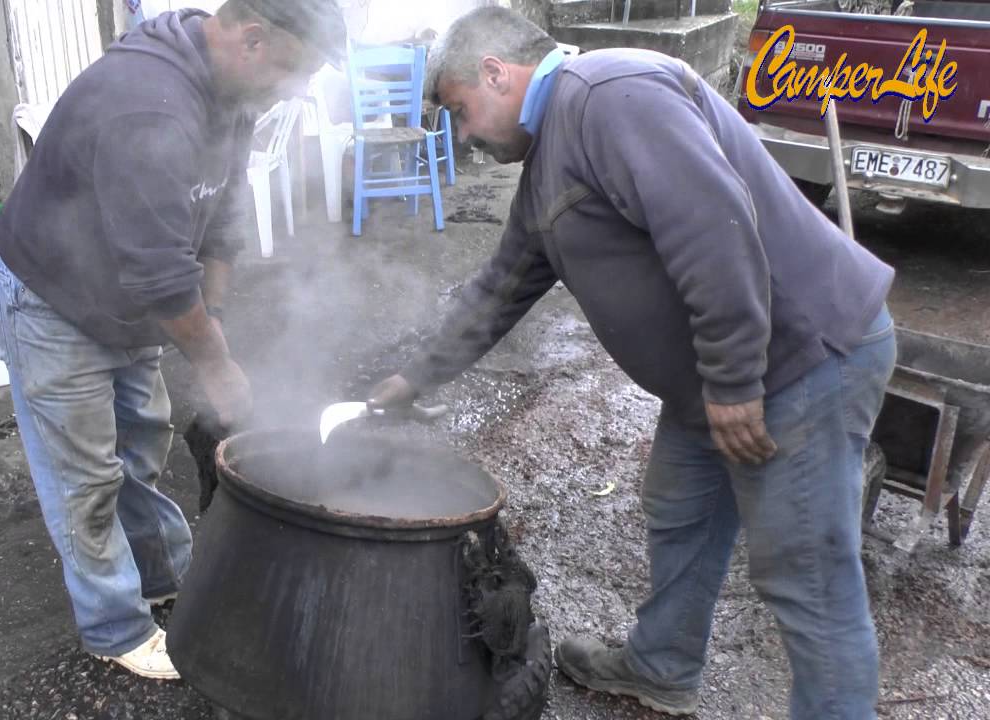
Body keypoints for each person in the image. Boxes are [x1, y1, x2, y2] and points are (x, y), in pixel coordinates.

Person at [368, 8, 896, 718]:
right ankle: (661, 666)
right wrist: (411, 380)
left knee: (808, 575)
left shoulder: (608, 96)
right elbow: (499, 291)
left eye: (461, 112)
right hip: (712, 385)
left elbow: (715, 225)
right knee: (680, 512)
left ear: (496, 71)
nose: (462, 134)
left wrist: (736, 378)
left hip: (799, 362)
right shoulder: (551, 158)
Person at [0, 0, 345, 680]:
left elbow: (223, 213)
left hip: (127, 297)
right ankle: (114, 627)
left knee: (139, 445)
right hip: (51, 299)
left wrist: (208, 313)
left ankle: (163, 575)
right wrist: (215, 364)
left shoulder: (234, 88)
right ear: (252, 38)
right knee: (84, 476)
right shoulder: (145, 105)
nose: (290, 93)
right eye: (292, 73)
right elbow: (157, 272)